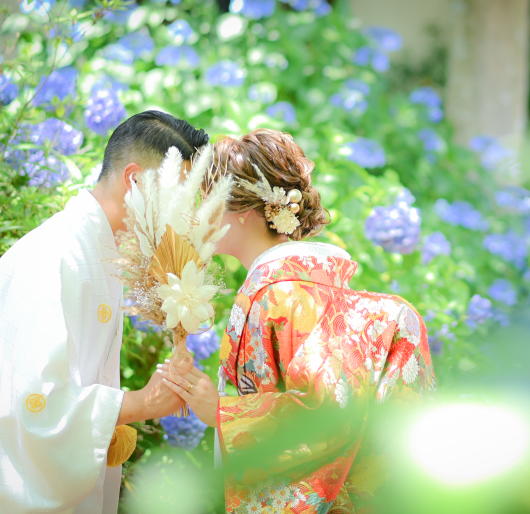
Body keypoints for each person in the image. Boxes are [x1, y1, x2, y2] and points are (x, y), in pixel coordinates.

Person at [0, 111, 207, 514]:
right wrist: (141, 403)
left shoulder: (94, 249)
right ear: (136, 181)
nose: (184, 216)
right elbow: (37, 404)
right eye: (179, 196)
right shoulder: (57, 255)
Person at [159, 128, 438, 513]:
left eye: (206, 199)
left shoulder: (278, 293)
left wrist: (220, 412)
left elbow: (326, 411)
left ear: (245, 210)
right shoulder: (305, 288)